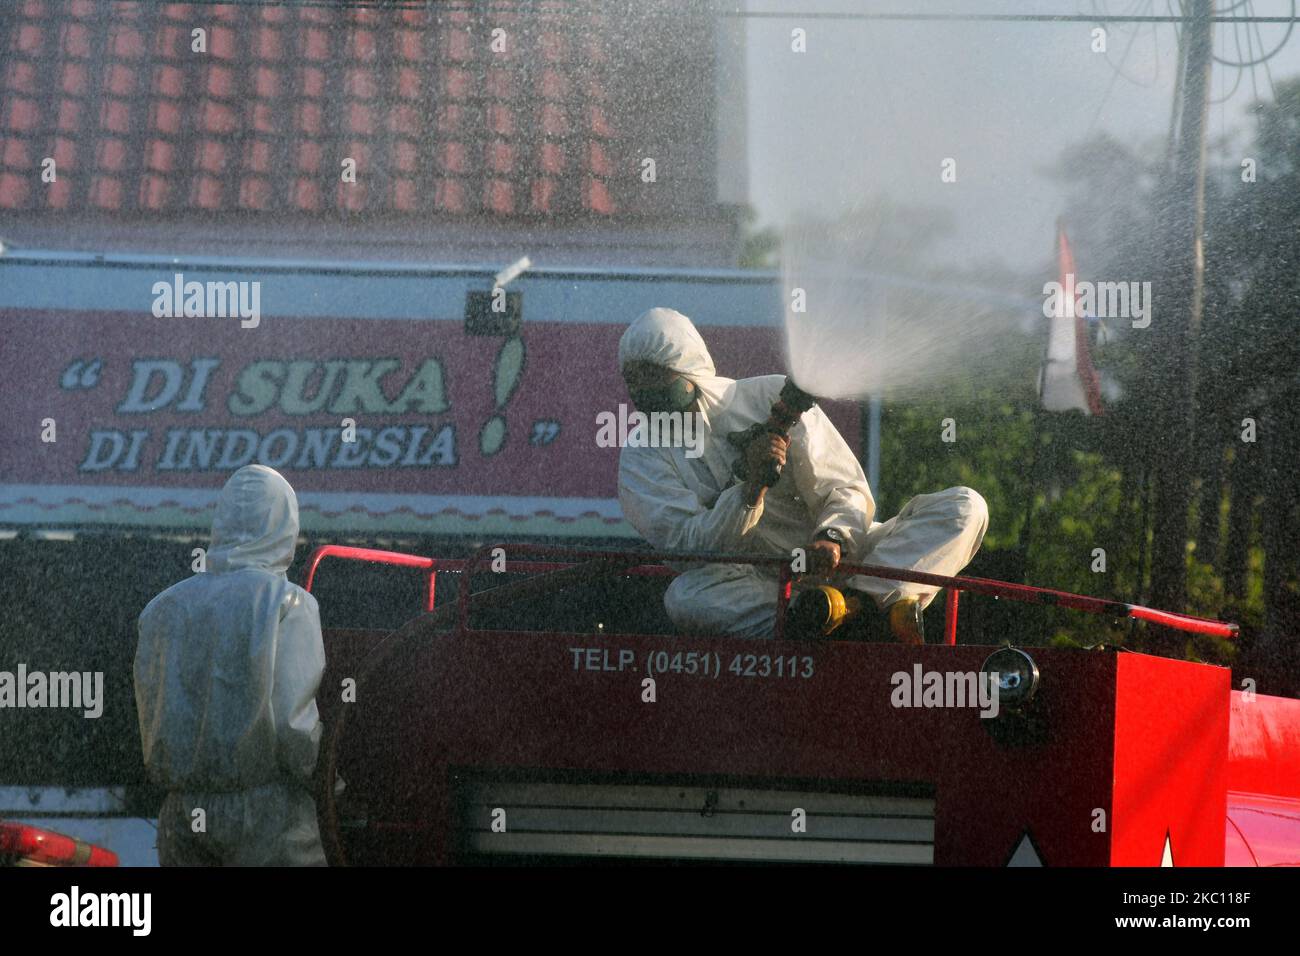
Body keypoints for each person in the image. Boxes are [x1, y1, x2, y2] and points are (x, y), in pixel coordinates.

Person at [617, 306, 989, 642]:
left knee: (965, 507)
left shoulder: (767, 396)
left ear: (687, 368)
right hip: (763, 587)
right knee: (686, 598)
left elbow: (844, 488)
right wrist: (749, 490)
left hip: (849, 564)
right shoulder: (641, 455)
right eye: (632, 379)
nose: (641, 390)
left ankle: (851, 608)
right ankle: (861, 614)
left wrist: (833, 537)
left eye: (652, 375)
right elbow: (686, 551)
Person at [134, 464, 327, 866]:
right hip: (267, 815)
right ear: (285, 524)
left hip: (181, 814)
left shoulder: (161, 609)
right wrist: (333, 784)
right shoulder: (287, 604)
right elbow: (295, 729)